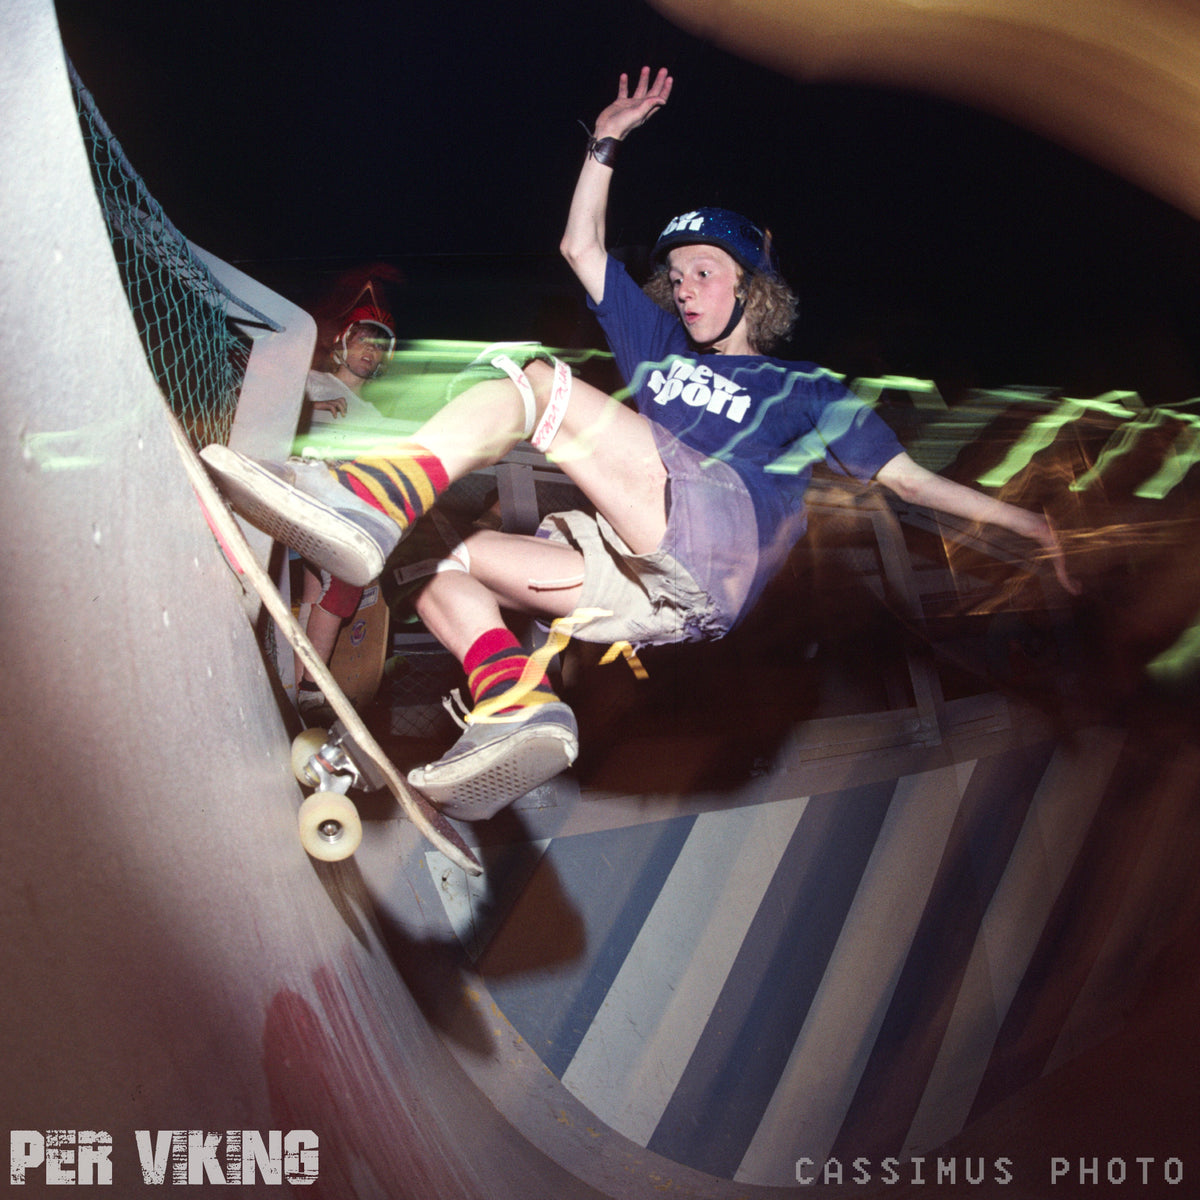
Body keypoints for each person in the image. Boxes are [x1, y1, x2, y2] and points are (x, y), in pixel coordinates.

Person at [202, 66, 1075, 820]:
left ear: (753, 293)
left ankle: (372, 500)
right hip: (661, 595)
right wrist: (604, 144)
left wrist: (1025, 527)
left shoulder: (803, 389)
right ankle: (512, 698)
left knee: (539, 385)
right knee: (448, 572)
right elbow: (580, 246)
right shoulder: (655, 346)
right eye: (679, 275)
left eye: (707, 275)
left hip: (722, 528)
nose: (686, 290)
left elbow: (911, 483)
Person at [292, 298, 396, 717]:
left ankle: (297, 682)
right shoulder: (312, 382)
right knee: (348, 573)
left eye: (378, 347)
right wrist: (307, 410)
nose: (369, 351)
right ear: (343, 343)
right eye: (362, 341)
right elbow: (263, 414)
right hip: (299, 493)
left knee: (318, 591)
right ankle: (313, 688)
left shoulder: (373, 415)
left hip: (338, 503)